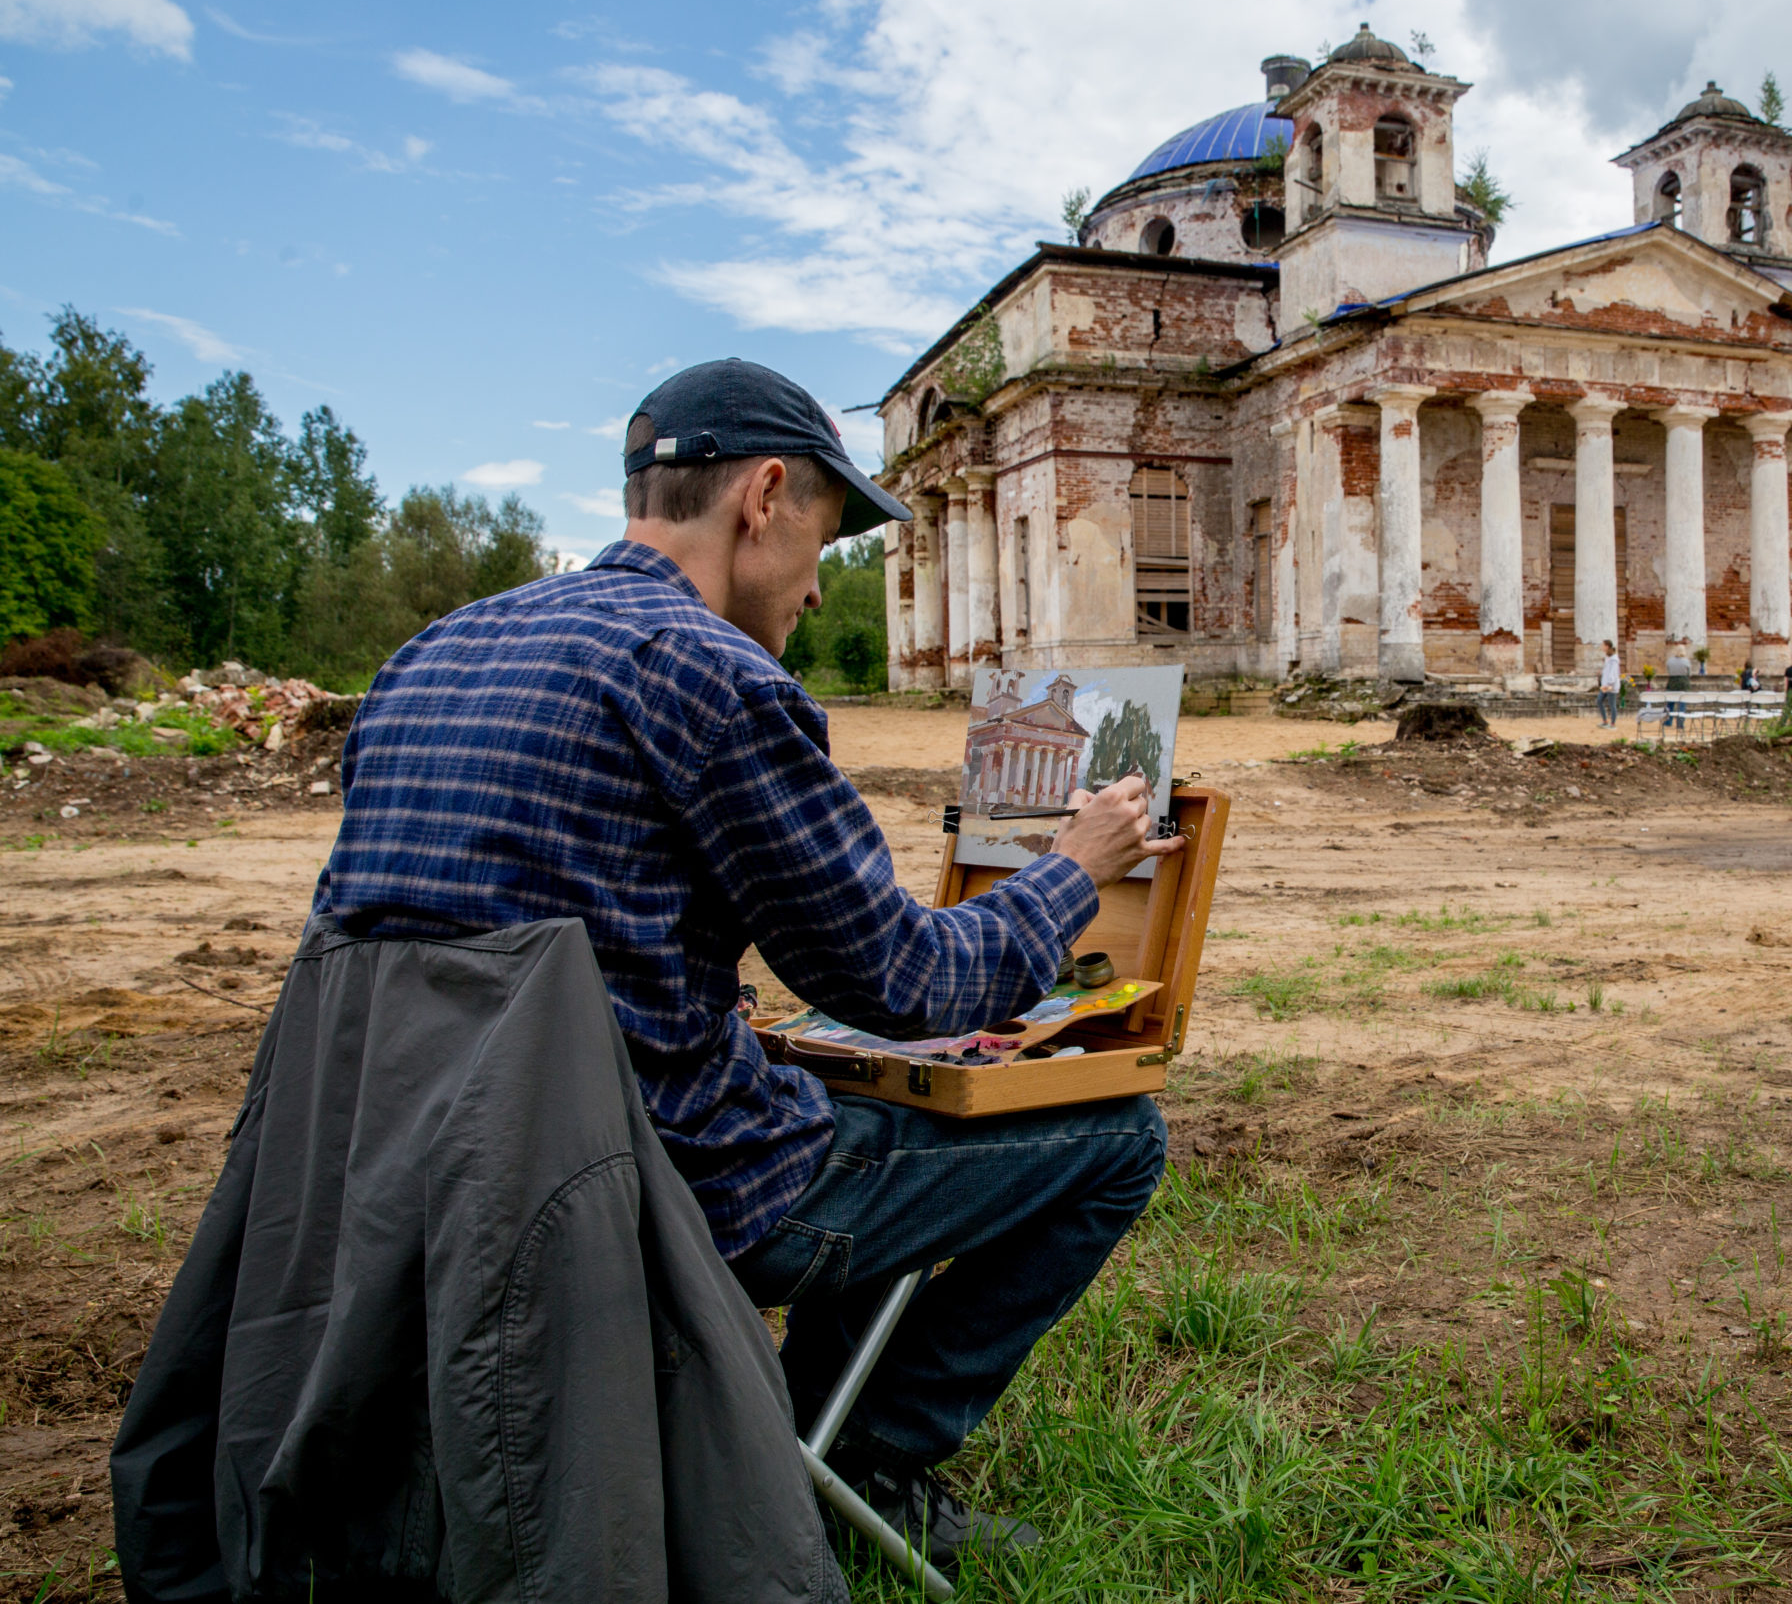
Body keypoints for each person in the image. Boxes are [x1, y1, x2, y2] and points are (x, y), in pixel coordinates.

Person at [310, 359, 1181, 1561]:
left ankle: (795, 1427)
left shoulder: (426, 658)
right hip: (666, 1196)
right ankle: (857, 1455)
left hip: (419, 1183)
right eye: (826, 541)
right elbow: (911, 990)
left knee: (857, 1102)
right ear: (763, 497)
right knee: (1117, 1141)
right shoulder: (714, 676)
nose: (822, 591)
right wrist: (1073, 867)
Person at [1597, 639, 1622, 726]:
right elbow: (1607, 670)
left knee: (1612, 704)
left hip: (1611, 685)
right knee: (1599, 700)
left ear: (1607, 646)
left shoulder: (1614, 660)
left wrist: (1609, 684)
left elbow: (1613, 673)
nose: (1602, 647)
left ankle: (1613, 723)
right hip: (1605, 684)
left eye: (1603, 645)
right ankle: (1604, 720)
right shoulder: (1608, 658)